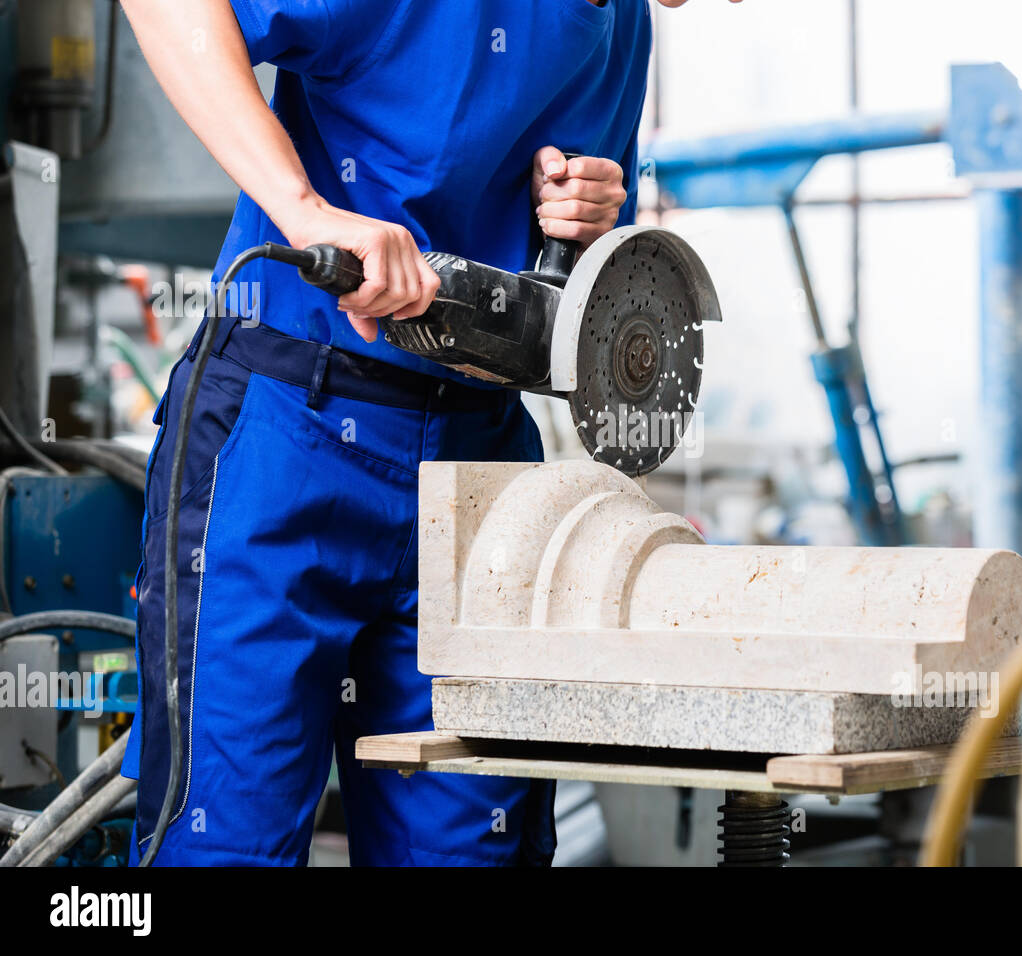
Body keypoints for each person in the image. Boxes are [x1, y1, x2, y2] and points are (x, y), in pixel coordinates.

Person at [116, 0, 724, 866]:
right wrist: (303, 210)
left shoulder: (623, 25)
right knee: (225, 843)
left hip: (481, 470)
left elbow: (563, 299)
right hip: (287, 432)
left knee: (471, 850)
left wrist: (590, 225)